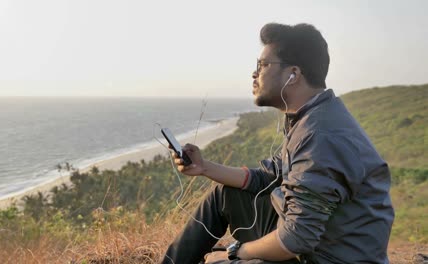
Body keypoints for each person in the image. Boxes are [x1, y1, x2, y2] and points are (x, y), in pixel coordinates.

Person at [161, 22, 394, 264]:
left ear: (293, 74)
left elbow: (296, 239)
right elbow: (268, 178)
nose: (254, 73)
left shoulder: (321, 136)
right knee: (225, 194)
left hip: (327, 257)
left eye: (262, 65)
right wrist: (204, 168)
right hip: (316, 243)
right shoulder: (310, 118)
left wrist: (235, 252)